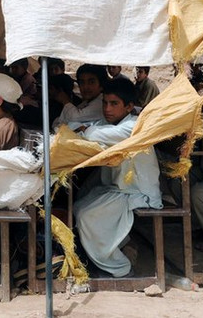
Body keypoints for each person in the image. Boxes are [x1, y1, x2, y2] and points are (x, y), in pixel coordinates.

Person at [73, 77, 162, 277]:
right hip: (118, 187)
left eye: (114, 104)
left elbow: (93, 134)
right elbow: (87, 126)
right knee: (79, 204)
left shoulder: (133, 126)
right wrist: (86, 129)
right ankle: (120, 245)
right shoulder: (113, 121)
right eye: (105, 103)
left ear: (129, 106)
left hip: (137, 191)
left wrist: (86, 130)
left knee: (87, 216)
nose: (107, 109)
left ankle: (119, 267)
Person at [52, 64, 108, 130]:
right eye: (82, 82)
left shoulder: (101, 102)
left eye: (91, 82)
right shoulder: (87, 102)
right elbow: (57, 121)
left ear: (101, 85)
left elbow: (73, 117)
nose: (85, 87)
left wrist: (65, 101)